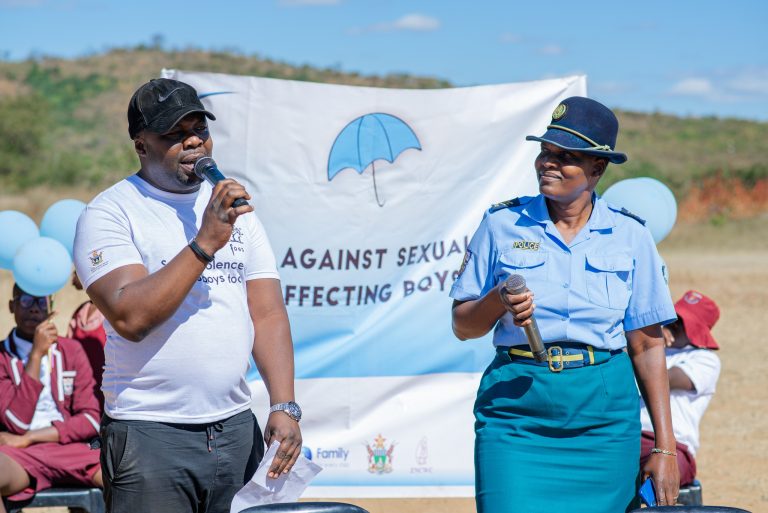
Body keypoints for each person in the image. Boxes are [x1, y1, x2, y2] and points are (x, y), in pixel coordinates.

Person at [73, 78, 302, 513]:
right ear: (141, 146)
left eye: (199, 128)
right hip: (150, 436)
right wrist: (204, 243)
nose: (194, 141)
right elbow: (130, 317)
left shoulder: (231, 207)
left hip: (236, 430)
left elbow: (267, 313)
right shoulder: (110, 213)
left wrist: (284, 405)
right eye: (174, 134)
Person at [450, 96, 680, 513]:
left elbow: (647, 347)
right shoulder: (501, 224)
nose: (547, 163)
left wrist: (665, 449)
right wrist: (497, 300)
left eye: (565, 156)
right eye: (545, 152)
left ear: (598, 167)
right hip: (517, 410)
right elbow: (463, 326)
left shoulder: (631, 235)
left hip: (603, 415)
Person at [0, 284, 102, 512]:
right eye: (25, 301)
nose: (34, 309)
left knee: (133, 481)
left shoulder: (72, 351)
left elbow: (91, 419)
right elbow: (16, 422)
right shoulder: (2, 357)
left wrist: (30, 437)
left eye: (41, 302)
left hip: (71, 450)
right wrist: (35, 356)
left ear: (51, 308)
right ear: (11, 306)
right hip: (20, 456)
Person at [640, 290, 721, 487]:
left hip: (674, 448)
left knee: (653, 482)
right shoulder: (643, 349)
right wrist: (650, 341)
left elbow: (663, 380)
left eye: (682, 322)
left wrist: (652, 343)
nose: (673, 324)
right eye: (673, 318)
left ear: (698, 330)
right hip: (631, 435)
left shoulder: (705, 359)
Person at [67, 270, 107, 409]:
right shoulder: (80, 311)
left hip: (103, 385)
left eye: (76, 272)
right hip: (80, 383)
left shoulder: (109, 310)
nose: (72, 276)